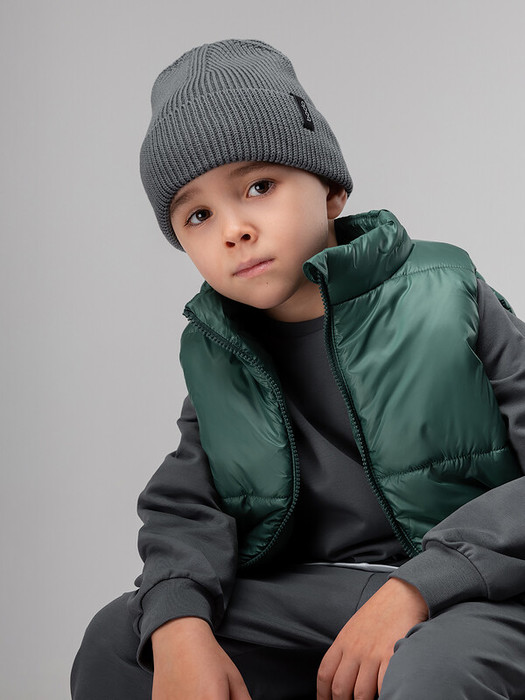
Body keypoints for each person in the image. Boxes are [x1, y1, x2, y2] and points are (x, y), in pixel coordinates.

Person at [70, 39, 525, 700]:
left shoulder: (445, 295)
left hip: (476, 590)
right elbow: (187, 504)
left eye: (259, 186)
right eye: (198, 214)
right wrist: (179, 622)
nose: (233, 229)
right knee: (123, 638)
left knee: (433, 672)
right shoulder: (222, 350)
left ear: (331, 190)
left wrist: (419, 586)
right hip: (315, 597)